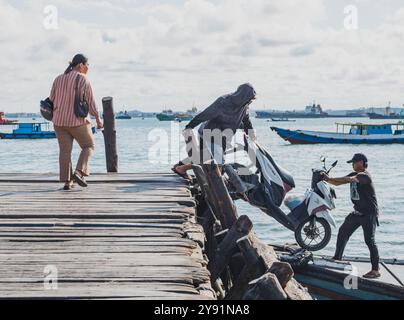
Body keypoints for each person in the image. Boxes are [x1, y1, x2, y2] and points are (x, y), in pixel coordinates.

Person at [172, 83, 257, 179]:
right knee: (217, 162)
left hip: (223, 137)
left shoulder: (244, 106)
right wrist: (189, 126)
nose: (250, 101)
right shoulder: (224, 102)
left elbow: (246, 121)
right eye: (250, 99)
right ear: (243, 97)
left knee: (205, 157)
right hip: (210, 132)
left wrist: (251, 135)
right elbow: (205, 114)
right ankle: (217, 189)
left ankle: (181, 168)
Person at [322, 153, 381, 279]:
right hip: (357, 212)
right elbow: (338, 182)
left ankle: (375, 270)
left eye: (354, 163)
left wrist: (332, 178)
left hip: (369, 214)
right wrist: (327, 179)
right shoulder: (352, 175)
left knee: (369, 241)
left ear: (361, 162)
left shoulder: (365, 176)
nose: (353, 165)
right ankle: (337, 258)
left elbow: (348, 180)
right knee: (343, 232)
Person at [50, 54, 103, 190]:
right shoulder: (83, 79)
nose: (88, 68)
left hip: (59, 122)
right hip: (77, 121)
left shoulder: (58, 79)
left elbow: (51, 99)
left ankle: (68, 182)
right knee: (89, 145)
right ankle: (79, 172)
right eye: (87, 65)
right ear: (81, 65)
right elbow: (91, 103)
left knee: (65, 151)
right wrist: (98, 119)